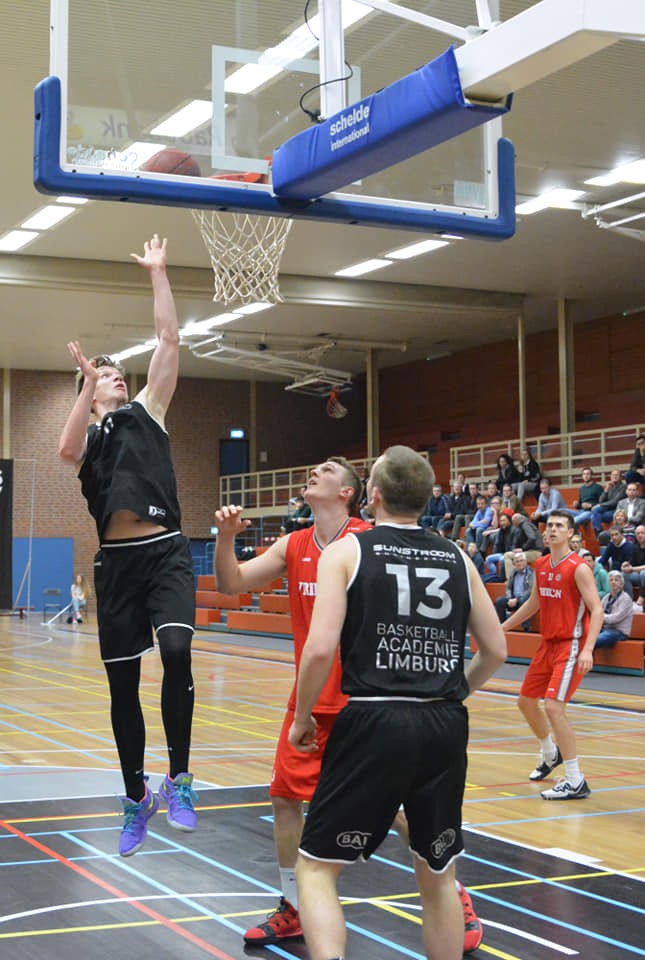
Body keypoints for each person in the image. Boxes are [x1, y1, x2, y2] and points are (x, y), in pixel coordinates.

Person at [215, 456, 484, 954]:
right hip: (317, 698)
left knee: (394, 811)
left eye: (328, 469)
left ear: (354, 492)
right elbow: (232, 583)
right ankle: (293, 905)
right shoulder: (294, 543)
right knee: (284, 798)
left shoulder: (368, 542)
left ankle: (450, 885)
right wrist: (225, 538)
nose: (314, 471)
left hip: (363, 700)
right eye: (313, 468)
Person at [287, 445, 507, 960]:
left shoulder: (347, 551)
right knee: (438, 871)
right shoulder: (458, 556)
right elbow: (496, 650)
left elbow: (319, 649)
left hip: (375, 716)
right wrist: (453, 692)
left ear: (373, 496)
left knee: (315, 867)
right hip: (444, 722)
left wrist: (301, 716)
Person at [58, 235, 197, 857]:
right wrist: (86, 384)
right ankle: (135, 796)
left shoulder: (148, 411)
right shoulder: (89, 436)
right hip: (116, 565)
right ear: (89, 391)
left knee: (177, 651)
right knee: (122, 689)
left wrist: (159, 274)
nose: (115, 376)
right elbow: (66, 450)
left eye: (117, 372)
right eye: (104, 374)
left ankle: (180, 780)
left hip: (165, 550)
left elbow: (169, 340)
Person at [502, 510, 602, 800]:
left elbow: (597, 610)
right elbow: (533, 603)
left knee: (554, 708)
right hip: (547, 644)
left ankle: (575, 780)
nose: (553, 530)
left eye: (560, 526)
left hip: (571, 645)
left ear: (570, 534)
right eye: (550, 526)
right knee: (525, 702)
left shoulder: (578, 567)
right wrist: (503, 627)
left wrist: (588, 649)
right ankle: (549, 753)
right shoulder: (542, 564)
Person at [494, 552, 534, 630]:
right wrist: (509, 598)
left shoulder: (531, 572)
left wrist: (517, 599)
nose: (519, 563)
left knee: (523, 601)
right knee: (499, 601)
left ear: (526, 561)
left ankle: (526, 629)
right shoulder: (513, 572)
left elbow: (530, 590)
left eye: (521, 561)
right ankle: (502, 627)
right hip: (513, 599)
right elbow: (508, 588)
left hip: (525, 599)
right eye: (517, 561)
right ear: (514, 564)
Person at [595, 572, 634, 647]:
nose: (613, 582)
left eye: (616, 580)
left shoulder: (626, 599)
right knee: (586, 637)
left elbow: (616, 618)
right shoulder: (606, 597)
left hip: (619, 631)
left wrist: (601, 617)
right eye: (611, 580)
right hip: (605, 629)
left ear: (621, 584)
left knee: (595, 640)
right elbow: (599, 611)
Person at [590, 469, 626, 536]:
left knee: (594, 516)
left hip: (616, 511)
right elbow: (600, 500)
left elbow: (615, 501)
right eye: (613, 475)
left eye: (617, 475)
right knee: (595, 512)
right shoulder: (610, 486)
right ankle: (600, 534)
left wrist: (600, 505)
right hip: (607, 510)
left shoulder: (623, 487)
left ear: (621, 477)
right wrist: (606, 490)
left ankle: (599, 535)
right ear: (610, 477)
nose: (614, 476)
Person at [621, 524, 645, 597]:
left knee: (643, 573)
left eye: (642, 533)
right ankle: (629, 599)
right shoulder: (635, 547)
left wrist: (632, 569)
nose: (640, 535)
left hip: (642, 574)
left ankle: (642, 597)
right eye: (638, 533)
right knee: (623, 574)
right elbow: (632, 563)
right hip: (637, 575)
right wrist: (626, 564)